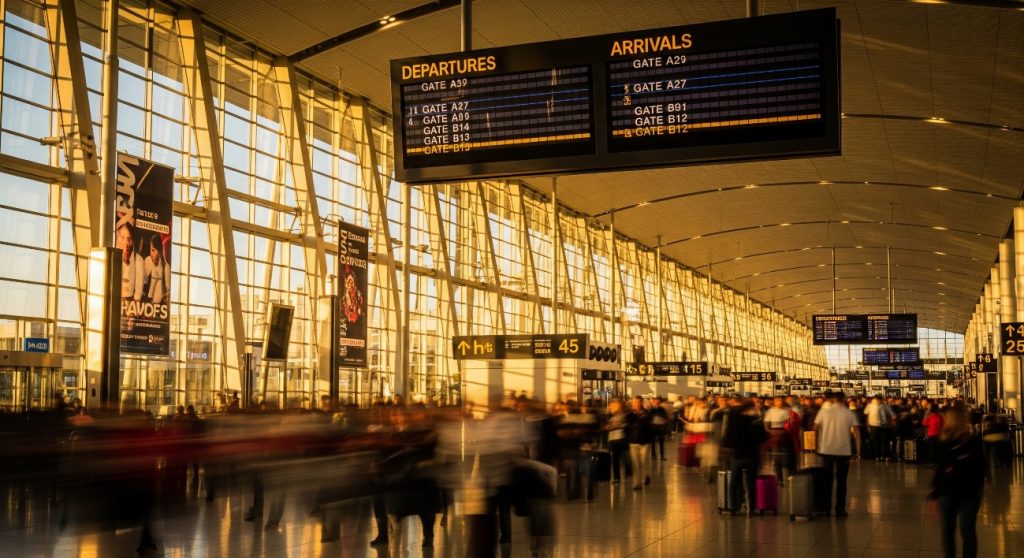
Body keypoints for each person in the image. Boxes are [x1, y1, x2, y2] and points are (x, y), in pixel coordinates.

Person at [928, 404, 986, 558]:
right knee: (968, 531)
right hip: (970, 491)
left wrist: (933, 492)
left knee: (947, 531)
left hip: (947, 491)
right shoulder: (973, 440)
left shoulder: (943, 440)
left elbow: (940, 469)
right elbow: (981, 466)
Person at [814, 391, 861, 517]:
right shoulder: (849, 413)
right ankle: (840, 509)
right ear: (843, 399)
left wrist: (816, 446)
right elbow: (856, 433)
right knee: (841, 482)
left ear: (833, 399)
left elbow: (815, 428)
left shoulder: (824, 412)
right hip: (843, 451)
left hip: (826, 450)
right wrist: (858, 450)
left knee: (826, 481)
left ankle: (826, 509)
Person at [719, 398, 766, 514]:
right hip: (751, 455)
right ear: (750, 408)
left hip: (736, 455)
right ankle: (751, 509)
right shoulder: (755, 420)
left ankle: (733, 507)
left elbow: (727, 436)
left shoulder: (733, 418)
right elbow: (762, 438)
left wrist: (724, 446)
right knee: (751, 483)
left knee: (734, 482)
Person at [626, 396, 654, 490]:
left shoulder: (647, 414)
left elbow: (650, 426)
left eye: (638, 402)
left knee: (644, 461)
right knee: (636, 463)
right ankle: (637, 483)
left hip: (645, 441)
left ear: (641, 403)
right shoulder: (629, 415)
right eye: (634, 402)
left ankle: (647, 475)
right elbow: (627, 427)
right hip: (633, 441)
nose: (636, 404)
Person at [865, 396, 895, 461]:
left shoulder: (886, 406)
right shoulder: (869, 406)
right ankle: (878, 455)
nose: (876, 401)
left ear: (881, 400)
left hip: (884, 426)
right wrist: (868, 425)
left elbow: (893, 416)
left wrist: (892, 424)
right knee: (877, 442)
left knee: (884, 442)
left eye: (877, 400)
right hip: (874, 426)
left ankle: (885, 455)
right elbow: (867, 416)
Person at [143, 234, 170, 303]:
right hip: (148, 304)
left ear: (159, 252)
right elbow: (143, 282)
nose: (151, 254)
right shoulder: (147, 261)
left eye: (153, 250)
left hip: (160, 306)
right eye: (150, 250)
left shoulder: (166, 267)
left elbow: (168, 291)